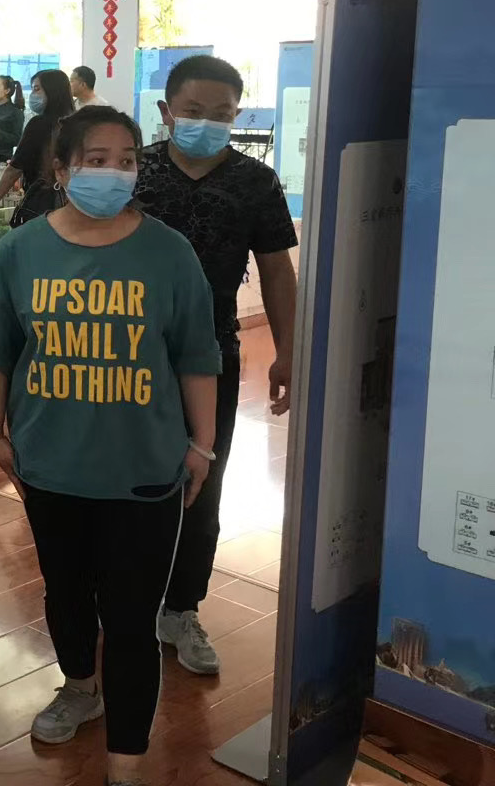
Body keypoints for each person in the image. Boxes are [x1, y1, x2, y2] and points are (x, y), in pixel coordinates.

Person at [0, 106, 221, 786]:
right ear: (61, 169)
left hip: (144, 469)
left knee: (132, 619)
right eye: (97, 160)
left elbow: (198, 356)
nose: (114, 172)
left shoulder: (169, 253)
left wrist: (203, 445)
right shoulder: (20, 252)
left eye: (126, 160)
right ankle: (80, 687)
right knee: (66, 593)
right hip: (49, 465)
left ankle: (124, 763)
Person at [134, 54, 298, 675]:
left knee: (202, 483)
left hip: (213, 353)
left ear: (237, 115)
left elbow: (277, 270)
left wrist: (288, 351)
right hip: (127, 353)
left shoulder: (256, 182)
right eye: (193, 111)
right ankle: (122, 600)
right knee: (124, 478)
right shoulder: (133, 171)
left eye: (222, 114)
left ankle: (181, 609)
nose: (206, 122)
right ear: (167, 111)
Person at [0, 69, 77, 226]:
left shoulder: (39, 124)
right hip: (75, 206)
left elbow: (14, 170)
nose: (32, 95)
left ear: (53, 91)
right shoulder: (79, 123)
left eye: (37, 89)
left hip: (44, 206)